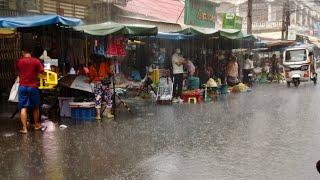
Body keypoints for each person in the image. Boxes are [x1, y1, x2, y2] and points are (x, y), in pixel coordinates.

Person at [16, 47, 44, 134]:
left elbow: (18, 71)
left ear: (22, 52)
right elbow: (42, 71)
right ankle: (36, 125)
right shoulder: (36, 61)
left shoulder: (19, 61)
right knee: (35, 107)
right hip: (33, 87)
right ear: (31, 52)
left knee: (23, 107)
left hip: (22, 87)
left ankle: (24, 128)